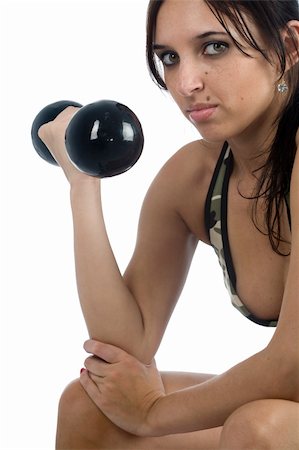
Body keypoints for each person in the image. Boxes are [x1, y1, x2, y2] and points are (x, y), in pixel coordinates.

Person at [38, 0, 299, 448]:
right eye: (169, 58)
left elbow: (292, 364)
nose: (186, 83)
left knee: (261, 430)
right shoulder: (195, 178)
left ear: (289, 46)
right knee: (89, 408)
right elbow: (125, 348)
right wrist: (83, 180)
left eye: (215, 47)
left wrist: (155, 414)